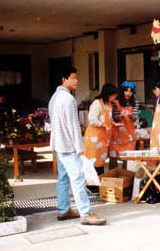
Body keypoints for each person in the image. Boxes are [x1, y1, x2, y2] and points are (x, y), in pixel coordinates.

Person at [48, 67, 106, 225]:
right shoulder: (68, 99)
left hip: (59, 144)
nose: (77, 81)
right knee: (78, 178)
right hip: (68, 145)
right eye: (73, 78)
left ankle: (63, 210)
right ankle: (86, 213)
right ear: (64, 80)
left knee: (64, 178)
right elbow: (73, 126)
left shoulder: (54, 97)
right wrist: (80, 148)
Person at [84, 83, 118, 175]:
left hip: (103, 138)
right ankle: (91, 186)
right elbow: (92, 119)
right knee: (93, 161)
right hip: (94, 138)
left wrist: (113, 123)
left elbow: (108, 119)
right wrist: (102, 125)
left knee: (101, 161)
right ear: (108, 94)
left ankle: (98, 184)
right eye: (113, 95)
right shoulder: (97, 103)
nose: (115, 97)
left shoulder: (110, 104)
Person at [109, 81, 140, 170]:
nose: (128, 93)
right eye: (126, 91)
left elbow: (135, 117)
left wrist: (131, 116)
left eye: (130, 91)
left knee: (127, 157)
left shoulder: (135, 102)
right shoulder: (115, 102)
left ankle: (125, 177)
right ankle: (112, 177)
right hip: (117, 132)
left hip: (129, 133)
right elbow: (114, 117)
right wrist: (122, 115)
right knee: (113, 156)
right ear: (122, 91)